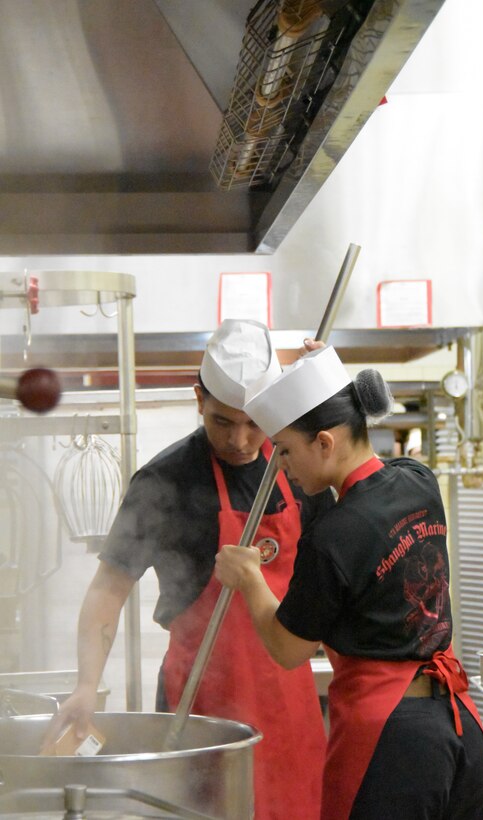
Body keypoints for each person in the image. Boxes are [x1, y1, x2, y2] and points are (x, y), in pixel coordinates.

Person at [43, 320, 334, 820]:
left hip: (290, 704)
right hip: (201, 706)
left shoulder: (296, 465)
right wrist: (87, 684)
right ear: (198, 399)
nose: (240, 440)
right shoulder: (165, 481)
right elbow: (108, 590)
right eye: (223, 422)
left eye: (254, 422)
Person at [215, 345, 483, 820]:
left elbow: (289, 649)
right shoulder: (419, 478)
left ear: (324, 442)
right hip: (458, 724)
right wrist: (330, 373)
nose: (281, 465)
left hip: (394, 742)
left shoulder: (332, 535)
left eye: (285, 449)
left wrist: (249, 578)